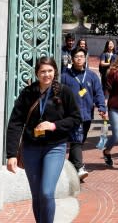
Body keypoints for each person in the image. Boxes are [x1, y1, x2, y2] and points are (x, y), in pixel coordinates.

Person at [5, 57, 81, 223]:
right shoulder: (28, 93)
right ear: (37, 74)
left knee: (46, 192)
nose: (46, 74)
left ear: (55, 72)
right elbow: (15, 123)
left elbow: (76, 119)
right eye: (42, 71)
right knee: (37, 195)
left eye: (50, 71)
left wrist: (54, 126)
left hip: (55, 147)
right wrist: (11, 154)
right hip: (31, 148)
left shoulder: (64, 92)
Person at [60, 48, 107, 181]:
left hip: (87, 114)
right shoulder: (65, 76)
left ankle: (71, 167)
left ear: (85, 58)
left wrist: (102, 107)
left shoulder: (91, 76)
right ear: (72, 59)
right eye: (76, 56)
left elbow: (98, 93)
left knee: (80, 141)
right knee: (77, 139)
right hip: (72, 114)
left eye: (82, 56)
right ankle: (80, 167)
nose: (79, 59)